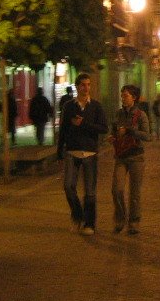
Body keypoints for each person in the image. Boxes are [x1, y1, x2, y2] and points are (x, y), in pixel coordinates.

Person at [61, 74, 109, 235]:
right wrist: (60, 150)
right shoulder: (69, 106)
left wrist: (84, 124)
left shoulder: (96, 106)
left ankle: (90, 223)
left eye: (88, 84)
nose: (86, 88)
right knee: (68, 186)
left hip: (89, 151)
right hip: (72, 151)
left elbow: (103, 128)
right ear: (77, 86)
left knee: (89, 192)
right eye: (82, 85)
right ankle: (77, 214)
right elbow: (63, 129)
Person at [111, 84, 151, 235]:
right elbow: (115, 131)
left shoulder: (141, 115)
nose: (123, 98)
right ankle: (120, 218)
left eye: (125, 95)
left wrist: (130, 131)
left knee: (134, 193)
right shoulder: (119, 114)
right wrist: (113, 136)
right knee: (116, 189)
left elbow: (148, 136)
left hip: (136, 157)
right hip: (121, 156)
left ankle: (134, 222)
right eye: (122, 95)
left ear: (134, 98)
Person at [56, 85, 75, 159]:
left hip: (65, 120)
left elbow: (60, 106)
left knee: (63, 137)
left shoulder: (64, 98)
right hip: (69, 121)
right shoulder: (71, 99)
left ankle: (61, 154)